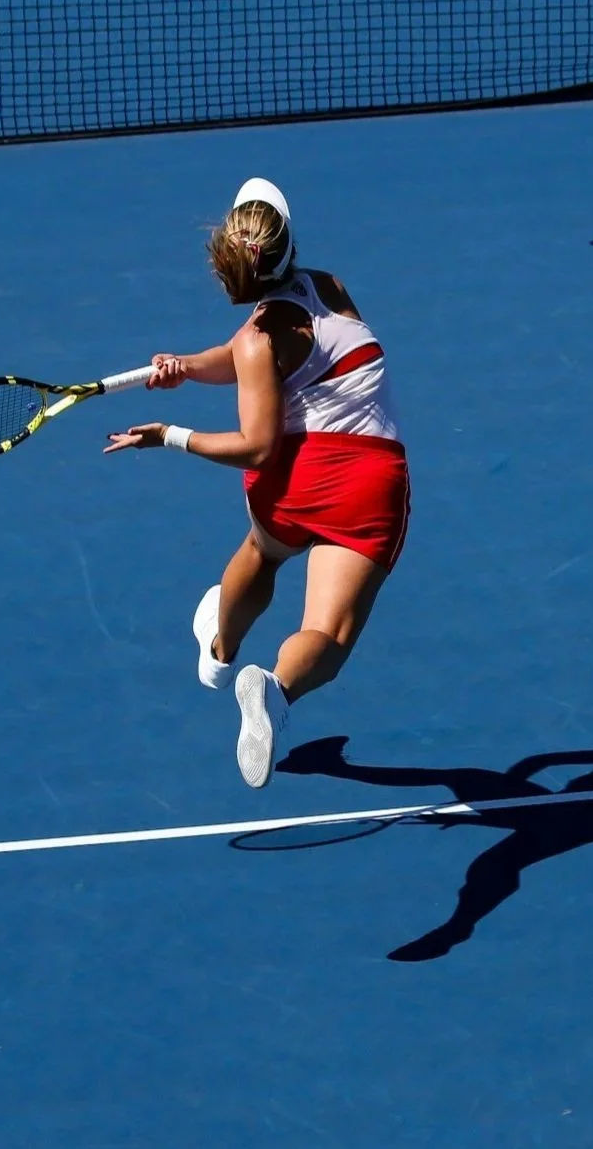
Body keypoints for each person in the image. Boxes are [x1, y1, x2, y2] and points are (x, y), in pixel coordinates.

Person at [104, 178, 409, 789]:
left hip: (294, 480)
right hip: (367, 483)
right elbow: (249, 359)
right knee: (330, 632)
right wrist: (188, 368)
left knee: (262, 551)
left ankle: (220, 654)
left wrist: (171, 434)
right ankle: (275, 689)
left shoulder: (254, 342)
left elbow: (259, 446)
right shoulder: (329, 287)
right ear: (286, 246)